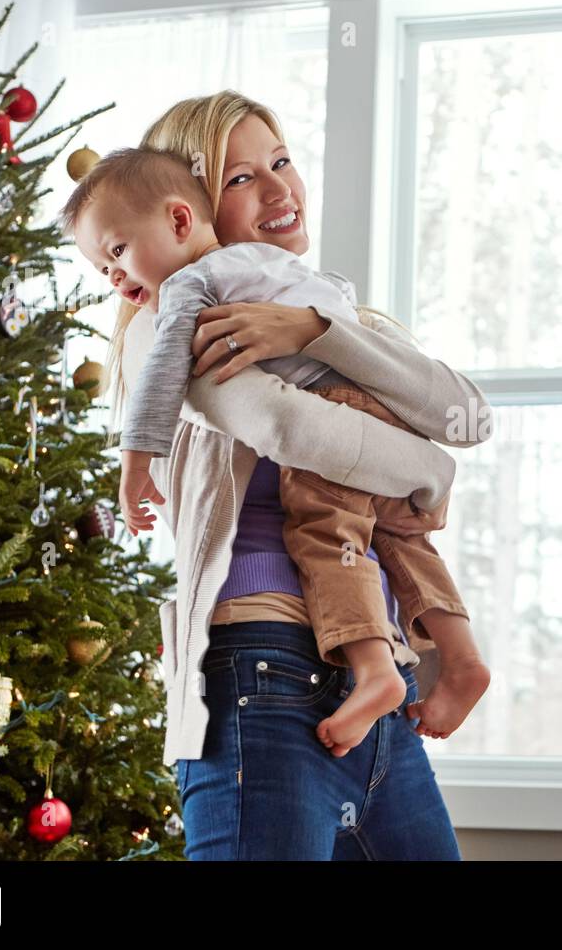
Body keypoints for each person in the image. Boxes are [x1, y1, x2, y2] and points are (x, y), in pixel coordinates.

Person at [99, 89, 491, 859]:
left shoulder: (327, 316)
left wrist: (319, 331)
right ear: (190, 212)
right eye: (242, 178)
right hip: (264, 673)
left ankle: (462, 655)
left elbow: (469, 415)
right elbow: (292, 430)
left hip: (382, 686)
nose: (279, 190)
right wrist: (431, 474)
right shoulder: (176, 324)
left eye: (281, 162)